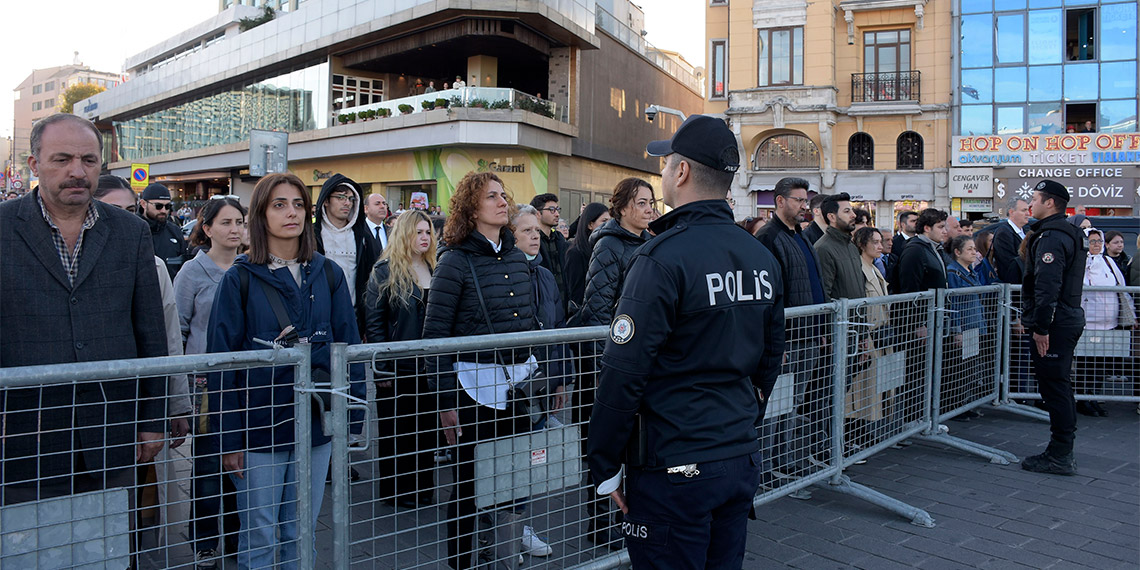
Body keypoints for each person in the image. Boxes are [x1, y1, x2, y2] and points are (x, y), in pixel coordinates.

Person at [588, 114, 785, 569]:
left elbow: (623, 372)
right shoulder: (759, 254)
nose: (661, 175)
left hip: (674, 464)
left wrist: (604, 463)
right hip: (735, 452)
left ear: (681, 172)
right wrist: (740, 417)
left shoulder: (660, 257)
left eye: (665, 164)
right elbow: (770, 357)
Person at [0, 114, 167, 506]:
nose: (77, 171)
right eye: (62, 159)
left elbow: (151, 334)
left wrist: (151, 422)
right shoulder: (3, 229)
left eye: (89, 160)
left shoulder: (131, 233)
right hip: (21, 441)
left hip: (111, 439)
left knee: (111, 553)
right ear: (34, 164)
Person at [207, 172, 365, 568]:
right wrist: (227, 439)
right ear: (260, 214)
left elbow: (349, 350)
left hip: (315, 426)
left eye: (298, 204)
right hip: (258, 428)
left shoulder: (328, 274)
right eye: (279, 204)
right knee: (259, 535)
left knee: (303, 530)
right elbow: (221, 366)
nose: (291, 212)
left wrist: (350, 418)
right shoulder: (238, 279)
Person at [422, 171, 542, 569]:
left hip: (518, 389)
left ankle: (502, 559)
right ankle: (462, 563)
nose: (502, 201)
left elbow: (530, 324)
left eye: (503, 195)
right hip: (473, 392)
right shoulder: (453, 260)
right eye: (491, 196)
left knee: (513, 484)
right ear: (472, 208)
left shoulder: (515, 255)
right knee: (468, 489)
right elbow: (434, 337)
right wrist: (444, 401)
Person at [95, 175, 195, 561]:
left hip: (137, 406)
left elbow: (170, 338)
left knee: (138, 498)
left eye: (130, 212)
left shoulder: (152, 266)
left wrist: (176, 405)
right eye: (113, 211)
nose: (126, 222)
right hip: (79, 411)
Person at [174, 196, 247, 567]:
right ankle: (205, 542)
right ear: (206, 229)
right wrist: (182, 395)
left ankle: (237, 539)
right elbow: (178, 331)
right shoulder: (192, 272)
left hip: (245, 386)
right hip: (204, 389)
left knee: (241, 465)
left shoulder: (253, 268)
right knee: (206, 467)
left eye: (239, 222)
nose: (235, 230)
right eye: (226, 223)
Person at [754, 176, 829, 479]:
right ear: (780, 201)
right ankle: (766, 469)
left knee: (792, 405)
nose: (804, 206)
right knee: (774, 407)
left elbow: (814, 285)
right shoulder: (768, 238)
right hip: (786, 339)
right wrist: (776, 343)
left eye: (806, 200)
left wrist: (821, 327)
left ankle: (785, 461)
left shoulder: (801, 236)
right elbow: (767, 295)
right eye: (798, 200)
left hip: (809, 335)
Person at [364, 209, 438, 510]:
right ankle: (397, 490)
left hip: (429, 366)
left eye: (428, 232)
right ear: (405, 234)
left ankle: (422, 489)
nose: (425, 237)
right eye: (418, 232)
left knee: (426, 431)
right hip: (398, 367)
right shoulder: (384, 270)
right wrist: (381, 369)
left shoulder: (436, 266)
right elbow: (374, 323)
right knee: (397, 431)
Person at [1020, 179, 1086, 475]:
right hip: (1065, 317)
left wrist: (1041, 328)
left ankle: (1060, 454)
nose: (1030, 203)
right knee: (1058, 386)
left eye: (1034, 198)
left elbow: (1048, 285)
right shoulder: (1066, 231)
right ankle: (1060, 450)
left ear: (1049, 202)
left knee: (1055, 387)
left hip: (1056, 322)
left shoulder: (1051, 236)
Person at [574, 179, 655, 331]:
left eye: (651, 203)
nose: (649, 210)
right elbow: (597, 308)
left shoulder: (652, 244)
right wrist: (601, 353)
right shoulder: (608, 246)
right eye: (642, 203)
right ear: (623, 208)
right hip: (620, 341)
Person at [314, 174, 382, 337]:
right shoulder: (311, 236)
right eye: (341, 197)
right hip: (316, 319)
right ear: (325, 200)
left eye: (351, 199)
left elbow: (371, 283)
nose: (347, 203)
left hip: (352, 318)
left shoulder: (363, 238)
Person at [1077, 228, 1134, 417]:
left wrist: (1131, 315)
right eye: (1092, 241)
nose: (1096, 245)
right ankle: (1083, 399)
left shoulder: (1108, 262)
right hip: (1087, 323)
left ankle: (1093, 397)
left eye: (1098, 241)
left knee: (1102, 364)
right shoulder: (1079, 263)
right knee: (1086, 364)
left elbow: (1122, 289)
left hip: (1109, 322)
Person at [944, 235, 989, 420]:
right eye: (969, 249)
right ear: (957, 252)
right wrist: (957, 330)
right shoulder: (953, 273)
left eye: (974, 248)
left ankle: (966, 403)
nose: (974, 252)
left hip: (974, 326)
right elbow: (952, 303)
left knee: (970, 368)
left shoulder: (970, 271)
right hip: (964, 326)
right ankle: (955, 406)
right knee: (959, 369)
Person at [814, 193, 865, 301]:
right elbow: (824, 296)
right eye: (847, 211)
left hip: (857, 316)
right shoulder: (823, 248)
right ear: (831, 217)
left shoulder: (852, 247)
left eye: (851, 210)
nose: (853, 215)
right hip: (840, 317)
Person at [563, 202, 610, 312]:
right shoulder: (575, 253)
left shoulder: (607, 250)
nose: (608, 225)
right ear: (590, 224)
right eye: (604, 221)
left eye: (609, 221)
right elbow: (576, 294)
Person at [140, 182, 190, 280]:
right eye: (158, 206)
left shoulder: (174, 231)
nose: (163, 210)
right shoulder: (134, 230)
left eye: (168, 206)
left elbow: (184, 266)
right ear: (143, 204)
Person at [530, 193, 570, 309]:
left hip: (563, 305)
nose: (557, 214)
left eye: (557, 209)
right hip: (542, 305)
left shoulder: (559, 239)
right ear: (538, 213)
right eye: (551, 210)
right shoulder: (532, 242)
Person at [895, 208, 948, 294]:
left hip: (936, 304)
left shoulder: (936, 248)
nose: (945, 231)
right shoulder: (914, 250)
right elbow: (909, 288)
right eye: (940, 227)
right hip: (924, 305)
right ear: (927, 228)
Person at [993, 198, 1030, 284]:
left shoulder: (1025, 231)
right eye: (1024, 210)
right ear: (1011, 212)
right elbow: (1009, 263)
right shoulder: (1004, 233)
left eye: (1028, 210)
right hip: (1012, 287)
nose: (1028, 214)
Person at [887, 210, 918, 291]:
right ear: (903, 224)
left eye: (917, 221)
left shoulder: (920, 243)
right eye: (913, 221)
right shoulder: (894, 243)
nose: (916, 223)